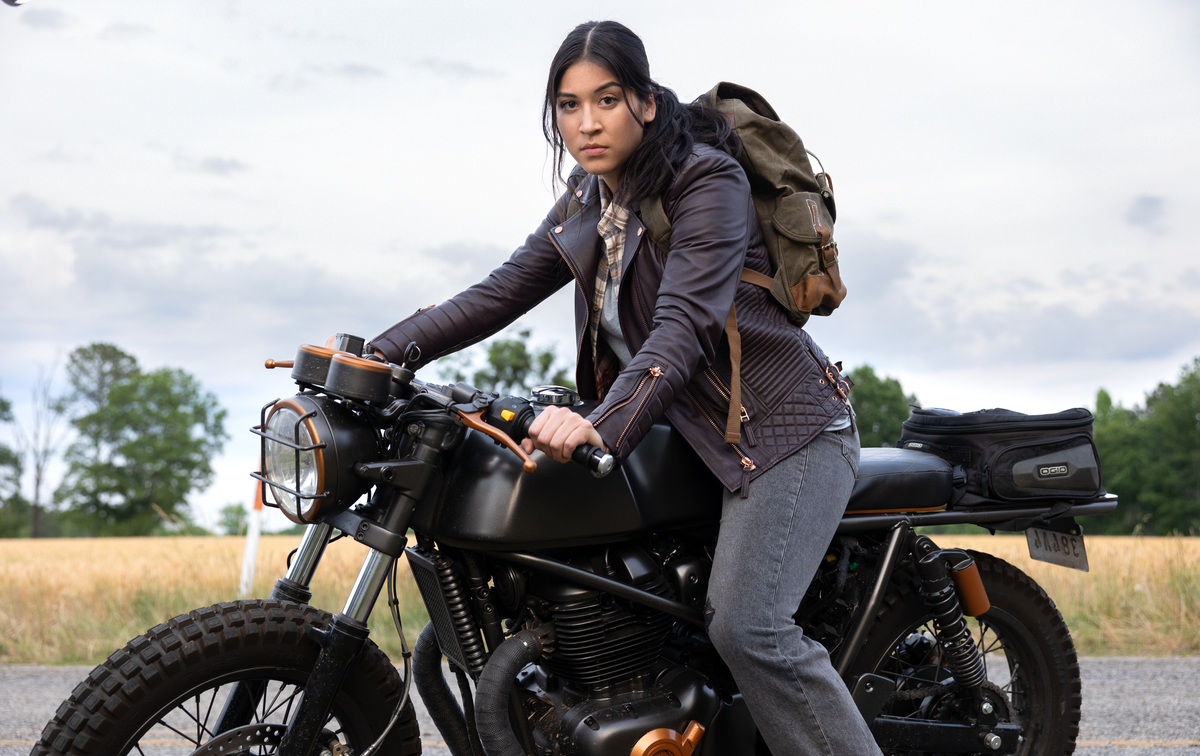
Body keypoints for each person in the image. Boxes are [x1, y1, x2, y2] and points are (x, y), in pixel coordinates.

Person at [368, 20, 881, 756]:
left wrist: (604, 425)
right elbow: (501, 291)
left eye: (605, 100)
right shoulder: (589, 196)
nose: (586, 122)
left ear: (643, 101)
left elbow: (684, 325)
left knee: (748, 626)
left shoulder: (707, 180)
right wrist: (378, 355)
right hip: (693, 435)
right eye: (568, 106)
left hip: (785, 435)